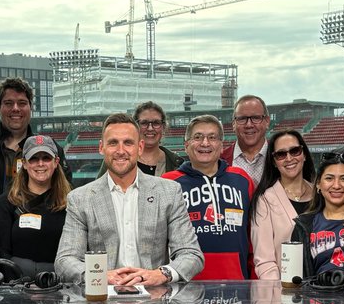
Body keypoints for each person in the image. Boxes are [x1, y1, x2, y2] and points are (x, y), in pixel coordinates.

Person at [55, 112, 204, 287]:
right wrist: (100, 276)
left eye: (128, 143)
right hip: (103, 303)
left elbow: (191, 254)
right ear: (101, 147)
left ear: (140, 147)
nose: (120, 151)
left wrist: (161, 274)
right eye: (113, 143)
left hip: (154, 302)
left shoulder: (168, 192)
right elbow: (65, 260)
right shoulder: (80, 198)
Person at [164, 115, 255, 279]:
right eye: (197, 137)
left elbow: (253, 237)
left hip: (236, 284)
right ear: (186, 145)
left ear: (221, 146)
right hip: (185, 284)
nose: (205, 143)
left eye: (212, 138)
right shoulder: (168, 183)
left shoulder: (242, 179)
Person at [0, 77, 67, 212]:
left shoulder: (52, 149)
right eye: (9, 103)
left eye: (22, 103)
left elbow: (63, 192)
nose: (15, 108)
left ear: (30, 107)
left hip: (37, 228)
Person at [291, 150, 344, 283]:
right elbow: (298, 279)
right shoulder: (304, 225)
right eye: (329, 178)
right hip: (319, 300)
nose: (336, 186)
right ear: (318, 184)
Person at [0, 134, 71, 272]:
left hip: (62, 283)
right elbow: (2, 255)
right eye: (33, 158)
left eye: (46, 158)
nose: (40, 164)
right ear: (25, 163)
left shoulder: (72, 203)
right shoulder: (6, 203)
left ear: (56, 161)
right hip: (18, 285)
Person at [250, 128, 316, 280]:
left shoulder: (320, 194)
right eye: (281, 154)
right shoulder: (265, 200)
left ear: (304, 154)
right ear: (273, 162)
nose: (289, 158)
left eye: (295, 151)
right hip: (285, 294)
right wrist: (281, 294)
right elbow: (264, 261)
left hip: (323, 289)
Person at [98, 101, 182, 177]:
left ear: (163, 127)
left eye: (156, 123)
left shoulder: (176, 163)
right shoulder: (117, 159)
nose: (150, 128)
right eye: (144, 123)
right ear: (135, 127)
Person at [221, 94, 271, 184]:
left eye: (256, 118)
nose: (249, 125)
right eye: (242, 119)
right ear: (233, 124)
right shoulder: (219, 160)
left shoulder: (281, 155)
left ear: (267, 121)